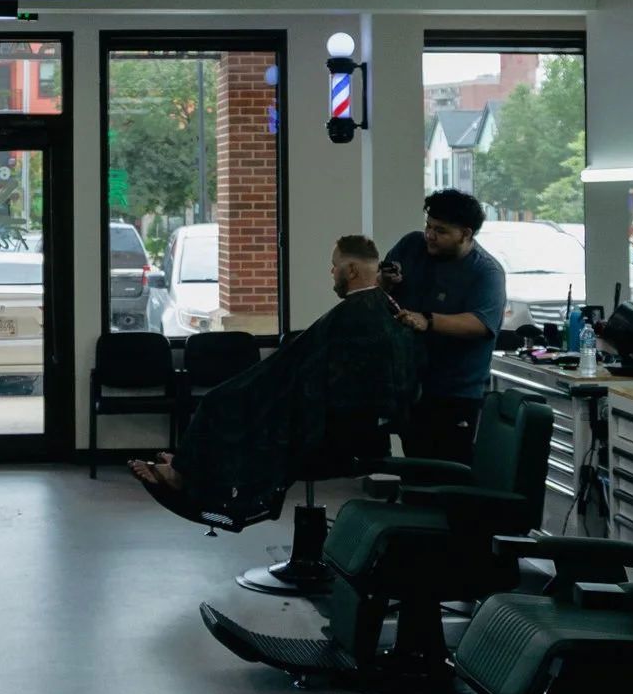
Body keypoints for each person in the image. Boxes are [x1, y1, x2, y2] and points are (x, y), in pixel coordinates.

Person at [130, 235, 417, 529]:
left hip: (330, 429)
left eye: (335, 265)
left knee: (219, 403)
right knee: (240, 403)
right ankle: (185, 466)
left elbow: (294, 368)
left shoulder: (352, 314)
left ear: (352, 271)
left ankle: (185, 477)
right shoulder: (385, 308)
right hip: (353, 423)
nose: (332, 272)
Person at [383, 189, 509, 461]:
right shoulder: (411, 246)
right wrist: (386, 282)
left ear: (465, 233)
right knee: (415, 467)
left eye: (441, 231)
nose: (430, 235)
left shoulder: (486, 272)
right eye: (428, 226)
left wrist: (427, 320)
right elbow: (381, 290)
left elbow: (481, 323)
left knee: (449, 474)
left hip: (455, 393)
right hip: (410, 386)